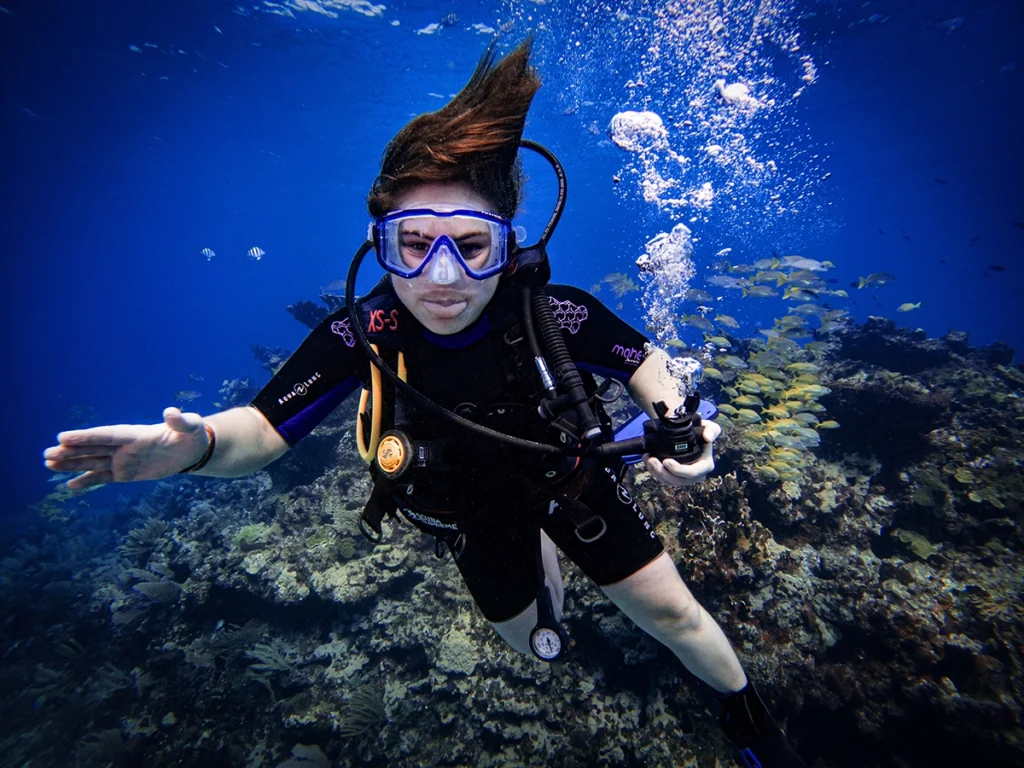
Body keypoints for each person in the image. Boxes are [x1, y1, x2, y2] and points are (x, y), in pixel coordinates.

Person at [44, 39, 806, 767]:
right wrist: (198, 447)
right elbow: (262, 429)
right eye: (414, 244)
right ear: (381, 243)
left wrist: (677, 422)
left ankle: (745, 715)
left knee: (671, 614)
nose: (442, 277)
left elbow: (643, 362)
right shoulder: (361, 332)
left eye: (470, 246)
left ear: (507, 245)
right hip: (464, 512)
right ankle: (542, 565)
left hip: (570, 479)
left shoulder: (552, 313)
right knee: (534, 641)